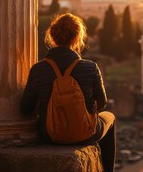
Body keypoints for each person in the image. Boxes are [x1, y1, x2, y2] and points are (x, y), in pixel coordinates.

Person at [20, 13, 116, 172]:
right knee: (110, 118)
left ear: (52, 36)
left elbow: (25, 108)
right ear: (77, 37)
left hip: (49, 135)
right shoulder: (90, 67)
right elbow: (102, 103)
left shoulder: (38, 69)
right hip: (85, 134)